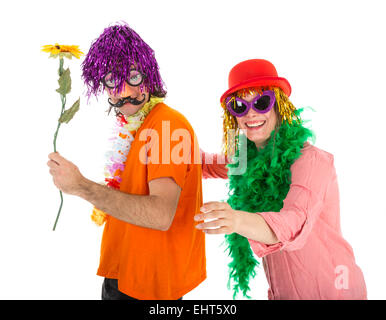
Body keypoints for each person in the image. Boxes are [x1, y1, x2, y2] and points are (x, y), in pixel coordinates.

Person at [47, 22, 225, 300]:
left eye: (132, 76)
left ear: (149, 75)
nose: (124, 89)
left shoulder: (166, 125)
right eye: (111, 79)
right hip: (126, 273)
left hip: (146, 286)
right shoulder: (138, 124)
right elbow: (188, 165)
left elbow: (160, 215)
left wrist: (80, 186)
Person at [194, 59, 367, 300]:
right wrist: (162, 142)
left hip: (333, 291)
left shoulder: (312, 161)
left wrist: (236, 220)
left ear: (279, 106)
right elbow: (205, 164)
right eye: (239, 106)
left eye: (262, 102)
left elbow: (293, 223)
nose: (251, 113)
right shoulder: (247, 159)